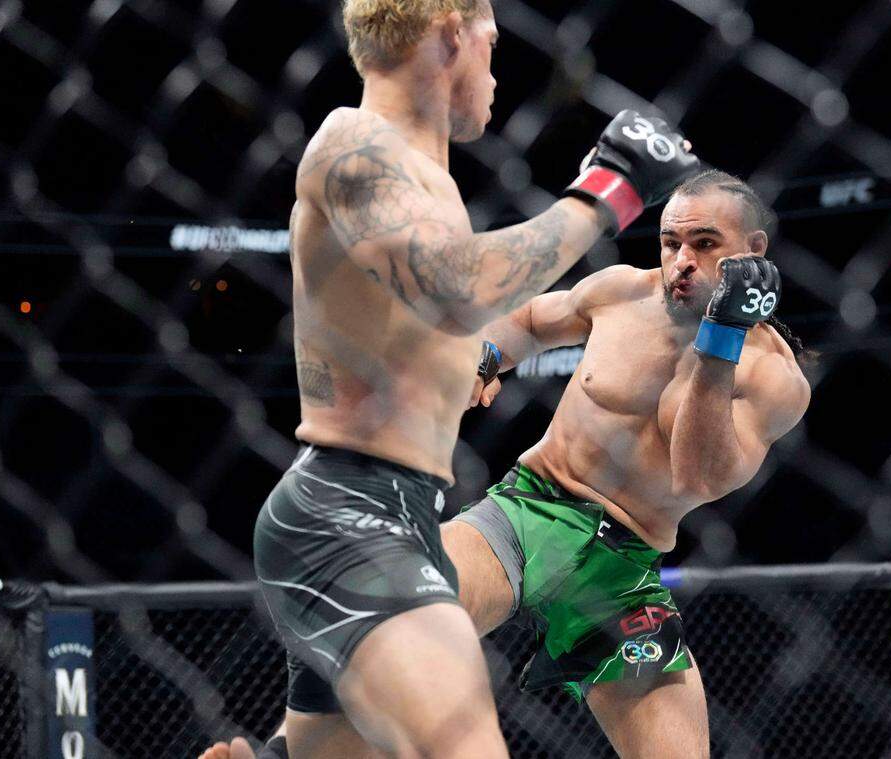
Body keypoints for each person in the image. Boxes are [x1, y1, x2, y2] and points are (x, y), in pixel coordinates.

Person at [204, 170, 809, 759]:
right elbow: (527, 322)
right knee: (378, 604)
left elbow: (696, 476)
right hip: (528, 511)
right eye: (671, 242)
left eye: (704, 245)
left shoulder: (772, 377)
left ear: (753, 252)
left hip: (622, 572)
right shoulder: (622, 292)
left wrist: (720, 339)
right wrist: (485, 357)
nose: (681, 261)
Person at [247, 0, 701, 754]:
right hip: (347, 516)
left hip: (401, 514)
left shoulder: (422, 180)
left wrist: (474, 364)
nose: (497, 65)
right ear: (453, 32)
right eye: (494, 39)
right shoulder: (354, 140)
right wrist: (608, 190)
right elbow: (456, 289)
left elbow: (407, 338)